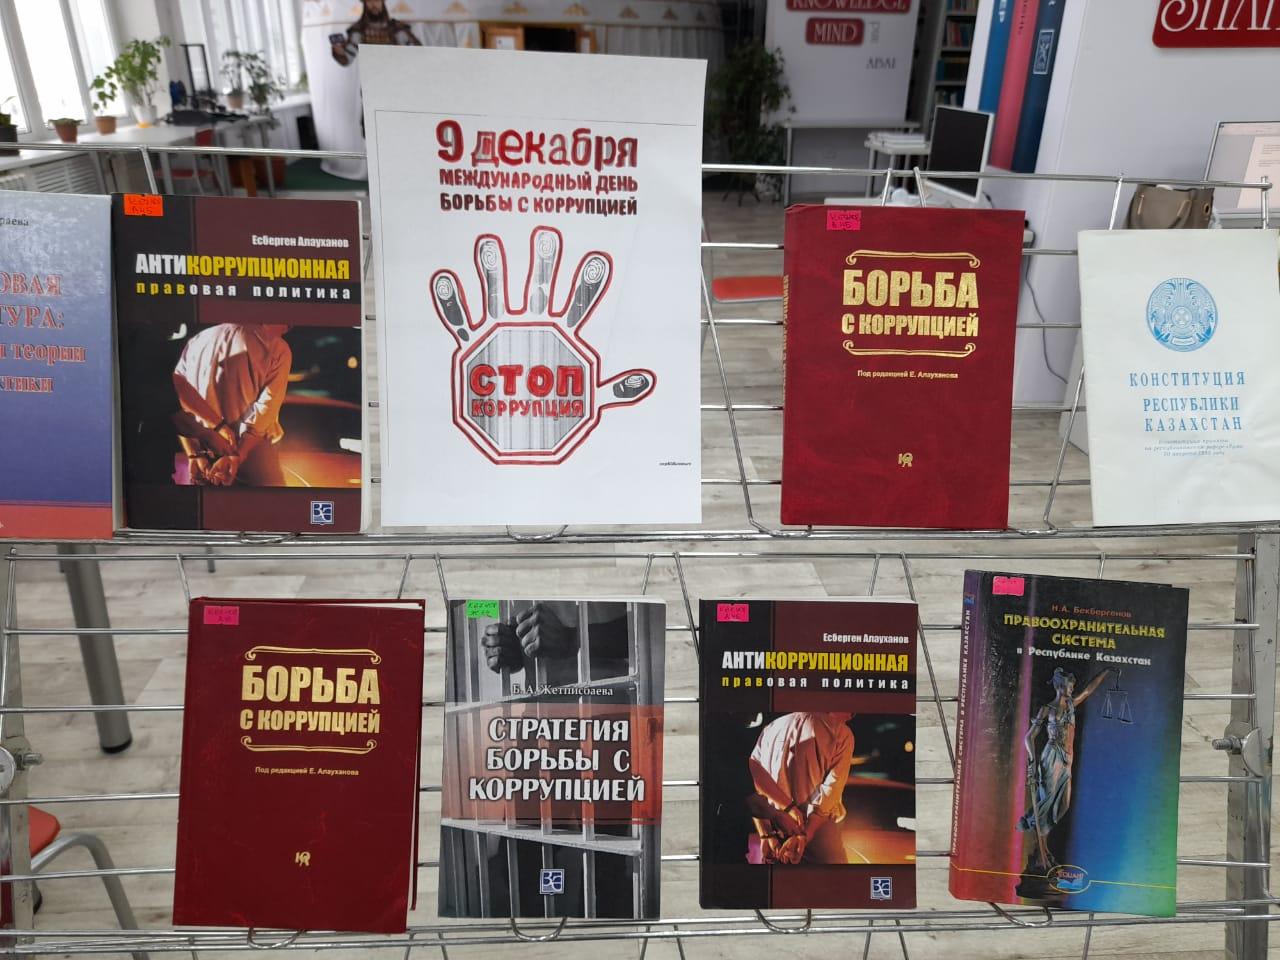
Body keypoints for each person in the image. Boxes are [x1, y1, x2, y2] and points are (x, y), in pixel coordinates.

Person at [171, 322, 292, 487]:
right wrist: (236, 455)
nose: (285, 330)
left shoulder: (198, 340)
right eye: (287, 326)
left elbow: (177, 399)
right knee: (272, 503)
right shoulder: (277, 348)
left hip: (203, 451)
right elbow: (266, 410)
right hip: (250, 455)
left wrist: (194, 453)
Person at [1017, 666, 1112, 867]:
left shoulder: (1071, 705)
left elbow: (1088, 690)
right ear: (1060, 686)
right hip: (1051, 758)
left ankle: (1042, 849)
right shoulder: (1047, 709)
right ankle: (1042, 853)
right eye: (1070, 686)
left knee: (1062, 805)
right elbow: (1028, 737)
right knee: (1046, 805)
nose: (1072, 689)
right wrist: (1032, 762)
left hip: (1067, 760)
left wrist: (1106, 670)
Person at [745, 712, 855, 865]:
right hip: (816, 836)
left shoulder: (771, 728)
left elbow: (754, 784)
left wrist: (766, 834)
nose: (850, 718)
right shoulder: (841, 732)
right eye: (851, 713)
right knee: (836, 880)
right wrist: (803, 835)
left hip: (775, 835)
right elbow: (830, 791)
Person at [330, 0, 421, 67]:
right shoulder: (359, 30)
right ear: (365, 4)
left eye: (377, 1)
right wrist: (340, 53)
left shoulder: (397, 28)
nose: (373, 5)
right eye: (369, 1)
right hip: (370, 82)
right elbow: (347, 59)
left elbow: (417, 54)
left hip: (398, 79)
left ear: (382, 2)